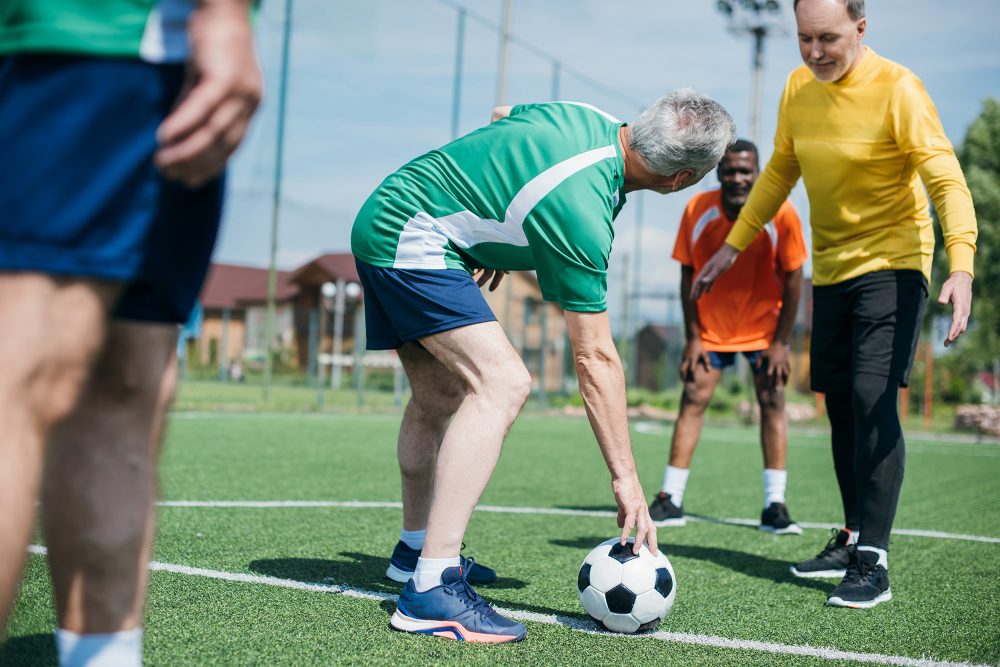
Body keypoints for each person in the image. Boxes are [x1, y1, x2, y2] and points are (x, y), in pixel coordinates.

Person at [351, 90, 736, 642]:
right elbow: (595, 357)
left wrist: (492, 232)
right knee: (503, 383)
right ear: (683, 179)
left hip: (392, 216)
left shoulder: (586, 115)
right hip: (414, 238)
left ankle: (413, 552)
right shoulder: (582, 213)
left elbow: (502, 119)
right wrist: (627, 481)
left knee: (438, 397)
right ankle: (431, 590)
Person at [0, 0, 262, 663]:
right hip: (84, 39)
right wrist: (225, 12)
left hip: (148, 58)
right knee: (19, 371)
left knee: (126, 382)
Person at [693, 0, 977, 609]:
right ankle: (851, 535)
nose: (815, 52)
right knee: (842, 405)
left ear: (860, 28)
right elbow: (780, 174)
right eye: (804, 38)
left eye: (827, 38)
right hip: (835, 272)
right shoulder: (798, 87)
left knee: (874, 398)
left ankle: (873, 559)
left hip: (896, 264)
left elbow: (945, 179)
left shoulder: (899, 89)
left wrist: (962, 265)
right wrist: (731, 248)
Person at [649, 139, 807, 535]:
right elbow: (687, 272)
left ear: (757, 173)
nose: (738, 177)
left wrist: (782, 342)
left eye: (745, 171)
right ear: (718, 173)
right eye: (730, 170)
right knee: (693, 397)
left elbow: (794, 279)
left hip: (764, 331)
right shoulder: (698, 210)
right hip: (711, 330)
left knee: (772, 401)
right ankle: (671, 499)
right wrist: (693, 337)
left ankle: (775, 505)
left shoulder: (781, 212)